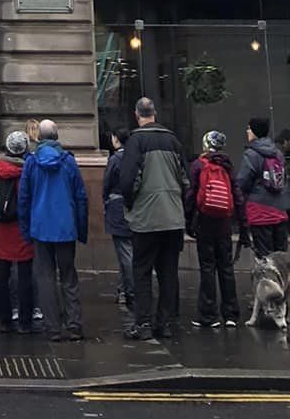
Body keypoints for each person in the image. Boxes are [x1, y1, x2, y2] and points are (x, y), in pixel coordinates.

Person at [116, 96, 187, 342]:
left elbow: (127, 181)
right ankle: (164, 323)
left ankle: (143, 323)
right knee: (168, 272)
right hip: (173, 217)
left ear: (137, 115)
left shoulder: (136, 141)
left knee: (142, 271)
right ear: (154, 113)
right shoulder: (173, 140)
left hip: (146, 218)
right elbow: (185, 180)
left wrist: (131, 204)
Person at [17, 117, 89, 342]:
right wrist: (81, 228)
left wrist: (26, 230)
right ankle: (74, 325)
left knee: (45, 277)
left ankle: (53, 328)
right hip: (66, 227)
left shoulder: (31, 162)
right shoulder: (68, 162)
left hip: (40, 228)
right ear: (57, 136)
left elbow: (24, 198)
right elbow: (81, 197)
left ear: (39, 136)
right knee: (69, 276)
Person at [186, 129, 244, 330]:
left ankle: (208, 314)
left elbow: (192, 194)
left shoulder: (199, 165)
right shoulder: (227, 166)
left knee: (208, 267)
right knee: (226, 268)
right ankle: (231, 314)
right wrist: (243, 225)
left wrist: (188, 220)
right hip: (224, 224)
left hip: (205, 222)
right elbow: (237, 195)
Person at [0, 129, 37, 334]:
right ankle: (25, 320)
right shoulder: (29, 170)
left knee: (2, 274)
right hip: (22, 226)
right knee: (25, 274)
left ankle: (4, 319)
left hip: (1, 227)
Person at [236, 117, 289, 257]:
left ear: (254, 131)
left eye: (249, 129)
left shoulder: (251, 154)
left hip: (259, 211)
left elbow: (242, 182)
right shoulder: (278, 153)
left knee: (265, 258)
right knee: (281, 257)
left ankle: (269, 279)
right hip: (279, 209)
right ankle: (281, 279)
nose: (247, 132)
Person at [101, 128, 135, 313]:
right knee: (128, 251)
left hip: (117, 207)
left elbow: (106, 184)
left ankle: (131, 290)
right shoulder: (135, 157)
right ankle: (124, 289)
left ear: (116, 139)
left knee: (125, 253)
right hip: (134, 208)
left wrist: (106, 200)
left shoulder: (115, 159)